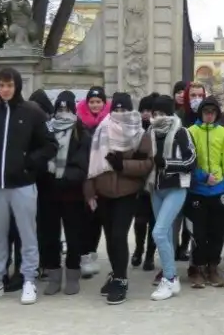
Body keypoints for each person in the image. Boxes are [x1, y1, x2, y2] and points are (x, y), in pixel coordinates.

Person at [0, 68, 57, 305]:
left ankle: (29, 279)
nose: (5, 89)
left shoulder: (33, 112)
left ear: (17, 86)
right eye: (1, 85)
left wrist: (29, 163)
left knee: (27, 234)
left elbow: (50, 145)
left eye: (9, 85)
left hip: (23, 185)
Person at [84, 91, 153, 304]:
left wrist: (123, 165)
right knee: (109, 236)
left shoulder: (140, 134)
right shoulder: (101, 129)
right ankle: (115, 273)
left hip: (127, 192)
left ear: (130, 110)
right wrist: (90, 191)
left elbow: (147, 164)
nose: (120, 112)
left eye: (124, 109)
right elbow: (92, 164)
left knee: (118, 235)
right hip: (103, 191)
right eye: (117, 109)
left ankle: (122, 279)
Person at [144, 94, 197, 301]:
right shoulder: (149, 132)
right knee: (164, 234)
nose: (157, 117)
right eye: (155, 113)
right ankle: (170, 276)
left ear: (170, 113)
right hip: (155, 188)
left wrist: (167, 164)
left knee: (158, 232)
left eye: (161, 113)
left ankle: (170, 278)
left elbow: (191, 161)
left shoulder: (181, 132)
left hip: (176, 188)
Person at [38, 91, 90, 295]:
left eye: (67, 108)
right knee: (49, 236)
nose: (63, 112)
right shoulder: (46, 130)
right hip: (48, 192)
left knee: (74, 236)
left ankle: (73, 274)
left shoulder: (81, 133)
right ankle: (53, 275)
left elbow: (82, 165)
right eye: (59, 108)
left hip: (72, 194)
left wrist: (64, 178)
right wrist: (46, 172)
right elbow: (40, 155)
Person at [186, 96, 224, 288]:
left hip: (218, 190)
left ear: (217, 114)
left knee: (217, 231)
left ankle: (212, 267)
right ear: (201, 113)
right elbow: (189, 160)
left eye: (213, 112)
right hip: (197, 190)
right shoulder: (190, 131)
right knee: (198, 232)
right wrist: (202, 177)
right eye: (206, 112)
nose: (209, 115)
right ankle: (197, 267)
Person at [76, 86, 110, 278]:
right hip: (83, 176)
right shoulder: (79, 123)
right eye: (92, 102)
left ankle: (91, 253)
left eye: (98, 102)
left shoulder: (109, 123)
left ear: (104, 103)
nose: (95, 105)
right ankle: (83, 255)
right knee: (83, 219)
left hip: (102, 177)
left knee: (97, 219)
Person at [131, 94, 158, 271]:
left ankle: (149, 255)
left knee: (154, 222)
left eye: (149, 110)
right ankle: (139, 248)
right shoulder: (135, 129)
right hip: (140, 182)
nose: (146, 114)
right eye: (143, 110)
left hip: (156, 181)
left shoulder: (159, 129)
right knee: (140, 220)